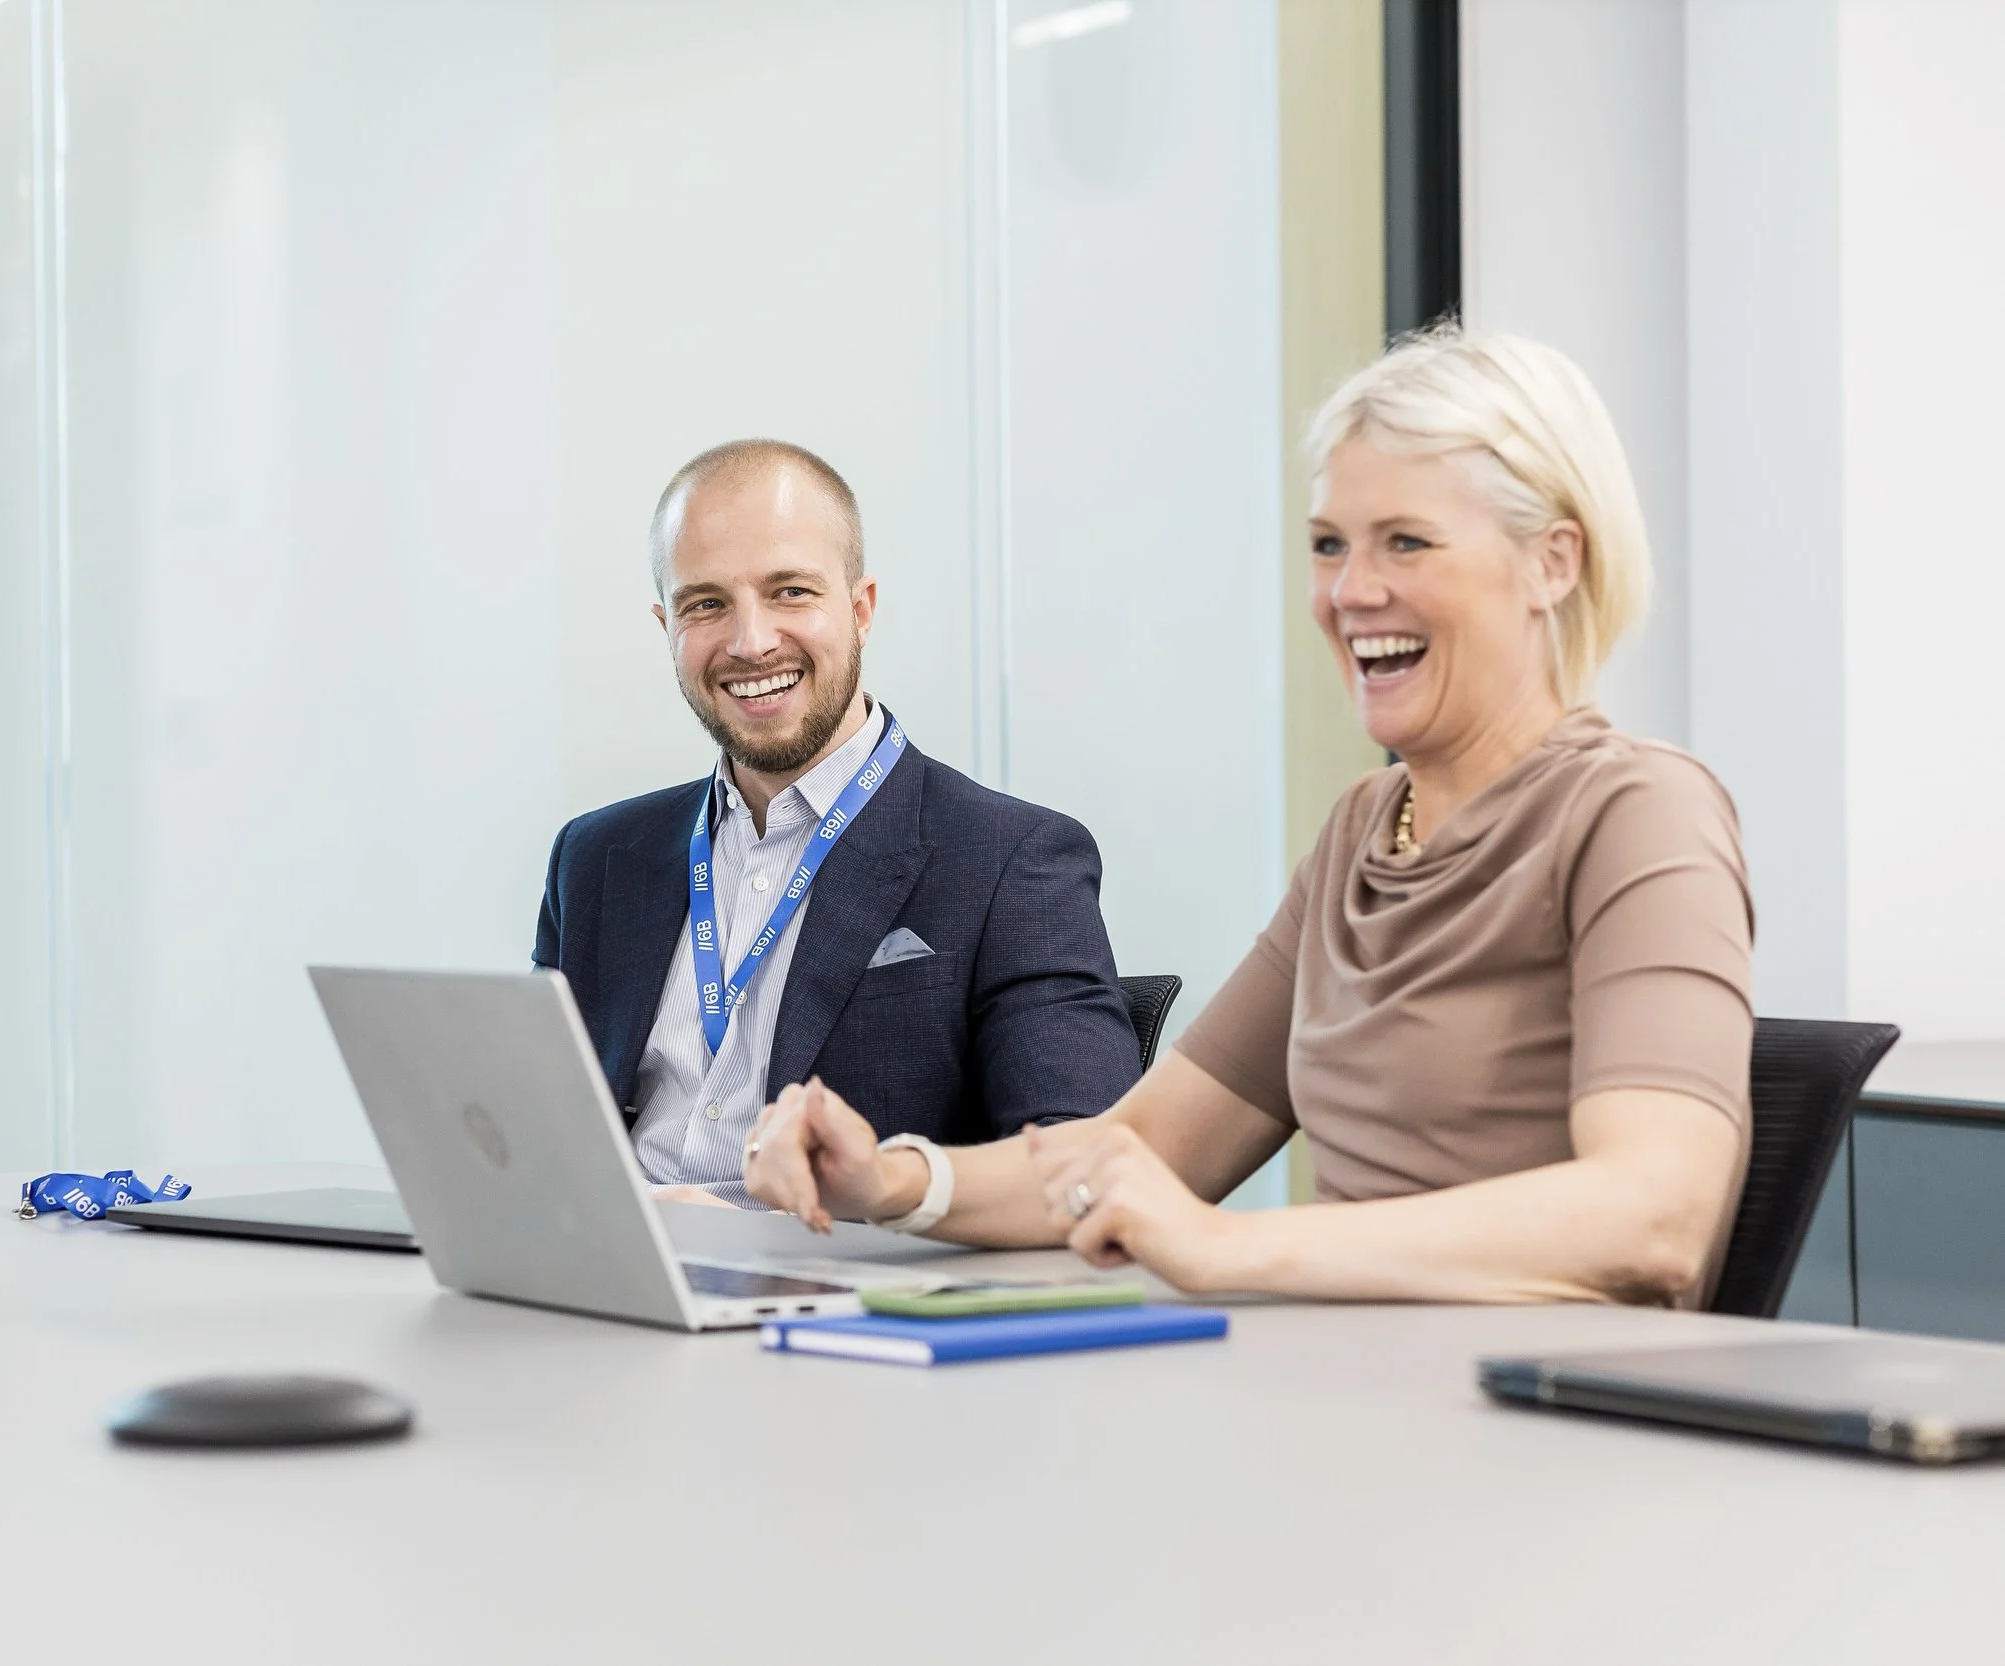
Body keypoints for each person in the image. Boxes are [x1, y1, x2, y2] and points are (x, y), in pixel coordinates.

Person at [748, 327, 1755, 1307]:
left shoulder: (1639, 813)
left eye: (1406, 541)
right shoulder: (1366, 828)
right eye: (1329, 545)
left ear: (1554, 563)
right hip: (1352, 1408)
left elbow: (1654, 1216)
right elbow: (1144, 1146)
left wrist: (1229, 1246)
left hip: (1541, 1432)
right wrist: (897, 1183)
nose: (1351, 591)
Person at [535, 438, 1142, 1208]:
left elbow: (1082, 1165)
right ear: (666, 627)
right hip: (606, 1288)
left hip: (831, 1295)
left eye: (790, 591)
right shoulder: (594, 859)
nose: (751, 642)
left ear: (860, 609)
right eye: (706, 603)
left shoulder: (1012, 862)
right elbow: (533, 1138)